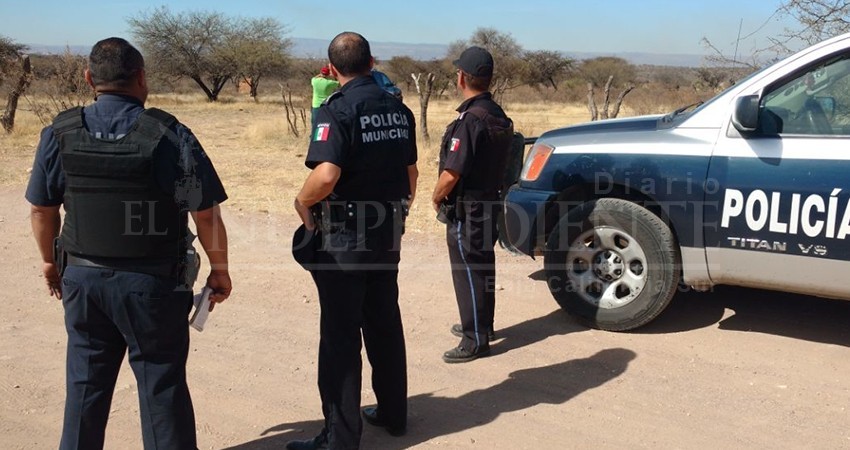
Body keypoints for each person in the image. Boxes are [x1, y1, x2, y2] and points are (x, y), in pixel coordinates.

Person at [26, 37, 232, 450]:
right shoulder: (170, 134)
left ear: (89, 79)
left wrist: (50, 263)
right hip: (152, 286)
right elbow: (205, 213)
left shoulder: (59, 133)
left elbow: (42, 211)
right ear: (142, 78)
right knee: (161, 386)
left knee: (85, 386)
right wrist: (220, 269)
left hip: (82, 280)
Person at [288, 31, 418, 450]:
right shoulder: (399, 109)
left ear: (332, 69)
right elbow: (412, 174)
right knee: (384, 325)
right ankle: (394, 414)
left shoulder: (337, 110)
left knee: (341, 338)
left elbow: (326, 175)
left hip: (345, 241)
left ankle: (339, 438)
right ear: (372, 61)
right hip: (387, 234)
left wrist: (302, 203)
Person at [431, 46, 514, 364]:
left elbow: (452, 172)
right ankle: (484, 326)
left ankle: (474, 339)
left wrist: (437, 196)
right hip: (491, 202)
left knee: (467, 269)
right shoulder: (496, 113)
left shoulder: (470, 120)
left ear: (462, 77)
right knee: (482, 266)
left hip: (469, 207)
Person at [311, 65, 340, 130]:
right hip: (326, 105)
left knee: (314, 125)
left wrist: (320, 75)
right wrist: (334, 75)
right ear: (328, 74)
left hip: (315, 105)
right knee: (325, 125)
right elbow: (339, 83)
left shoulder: (314, 81)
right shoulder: (329, 83)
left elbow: (314, 78)